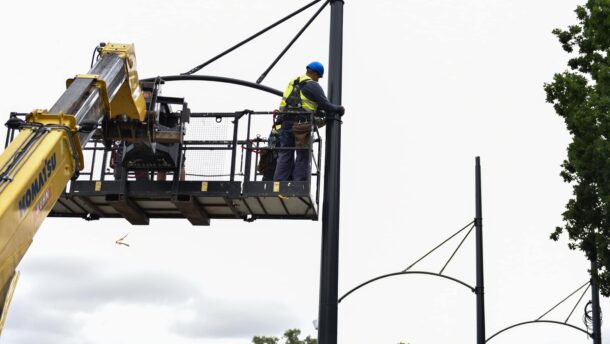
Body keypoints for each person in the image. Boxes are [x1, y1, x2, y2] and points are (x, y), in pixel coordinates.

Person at [273, 61, 345, 181]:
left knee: (285, 152)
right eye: (318, 77)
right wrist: (338, 109)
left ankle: (279, 183)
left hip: (286, 122)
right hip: (301, 125)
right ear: (315, 73)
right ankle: (298, 184)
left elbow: (297, 103)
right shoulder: (313, 85)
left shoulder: (293, 83)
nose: (318, 80)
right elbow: (325, 104)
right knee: (303, 154)